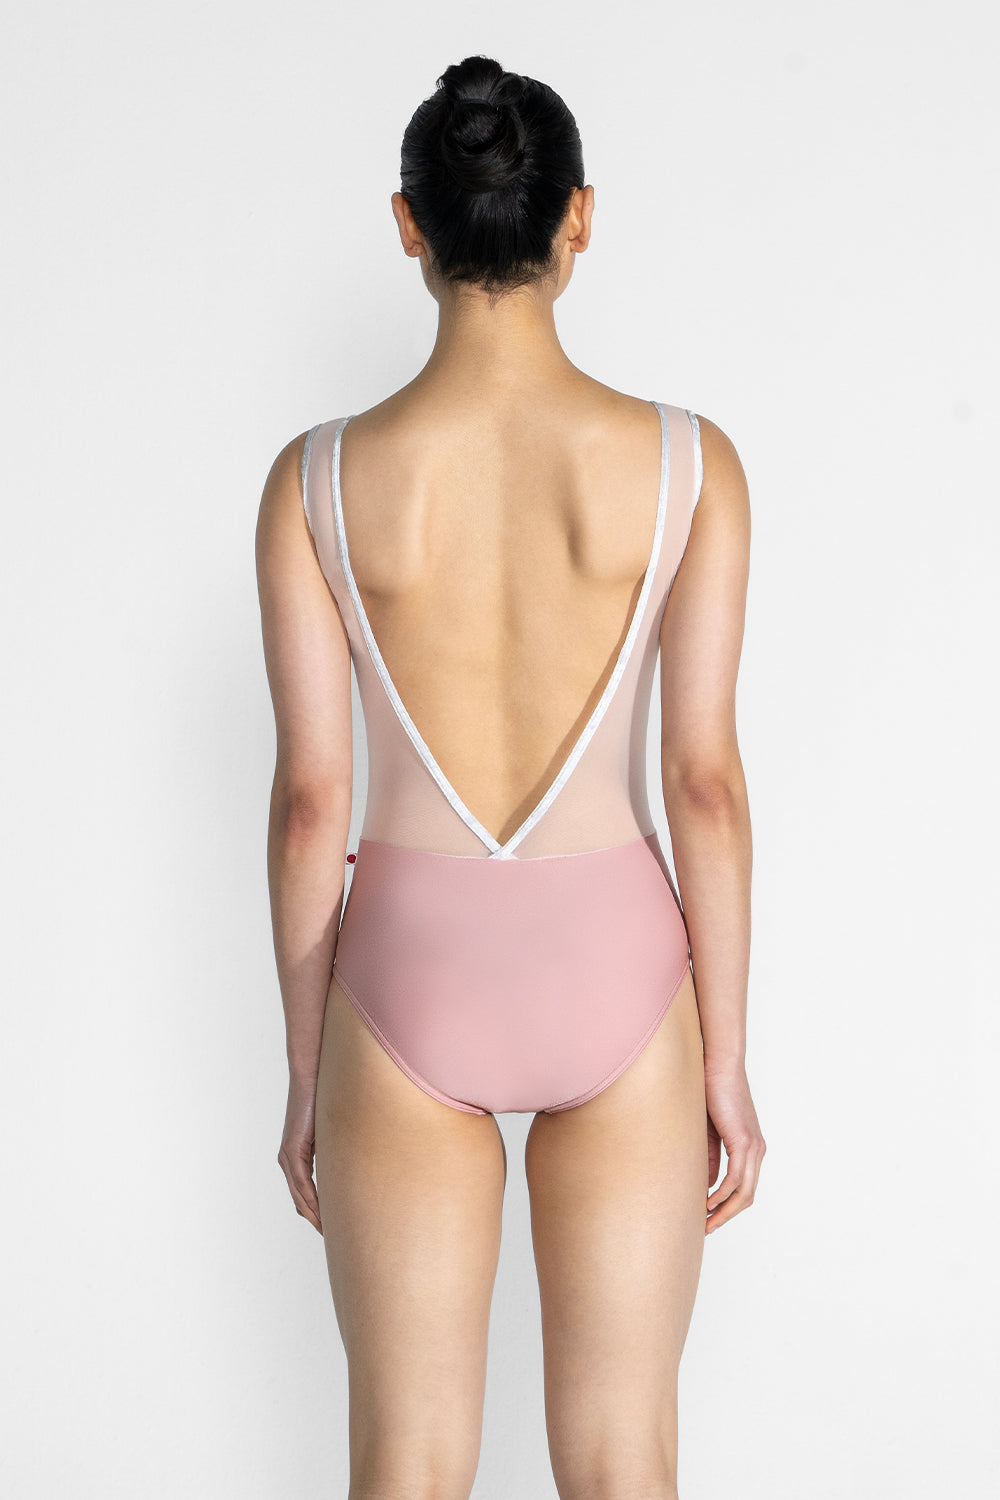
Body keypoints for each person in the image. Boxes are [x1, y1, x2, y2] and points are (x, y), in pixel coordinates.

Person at [255, 53, 765, 1500]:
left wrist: (307, 1071)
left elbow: (311, 804)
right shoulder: (690, 465)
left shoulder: (314, 481)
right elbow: (706, 784)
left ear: (409, 224)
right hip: (619, 966)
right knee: (622, 1463)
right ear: (578, 217)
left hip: (407, 971)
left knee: (407, 1467)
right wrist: (724, 1064)